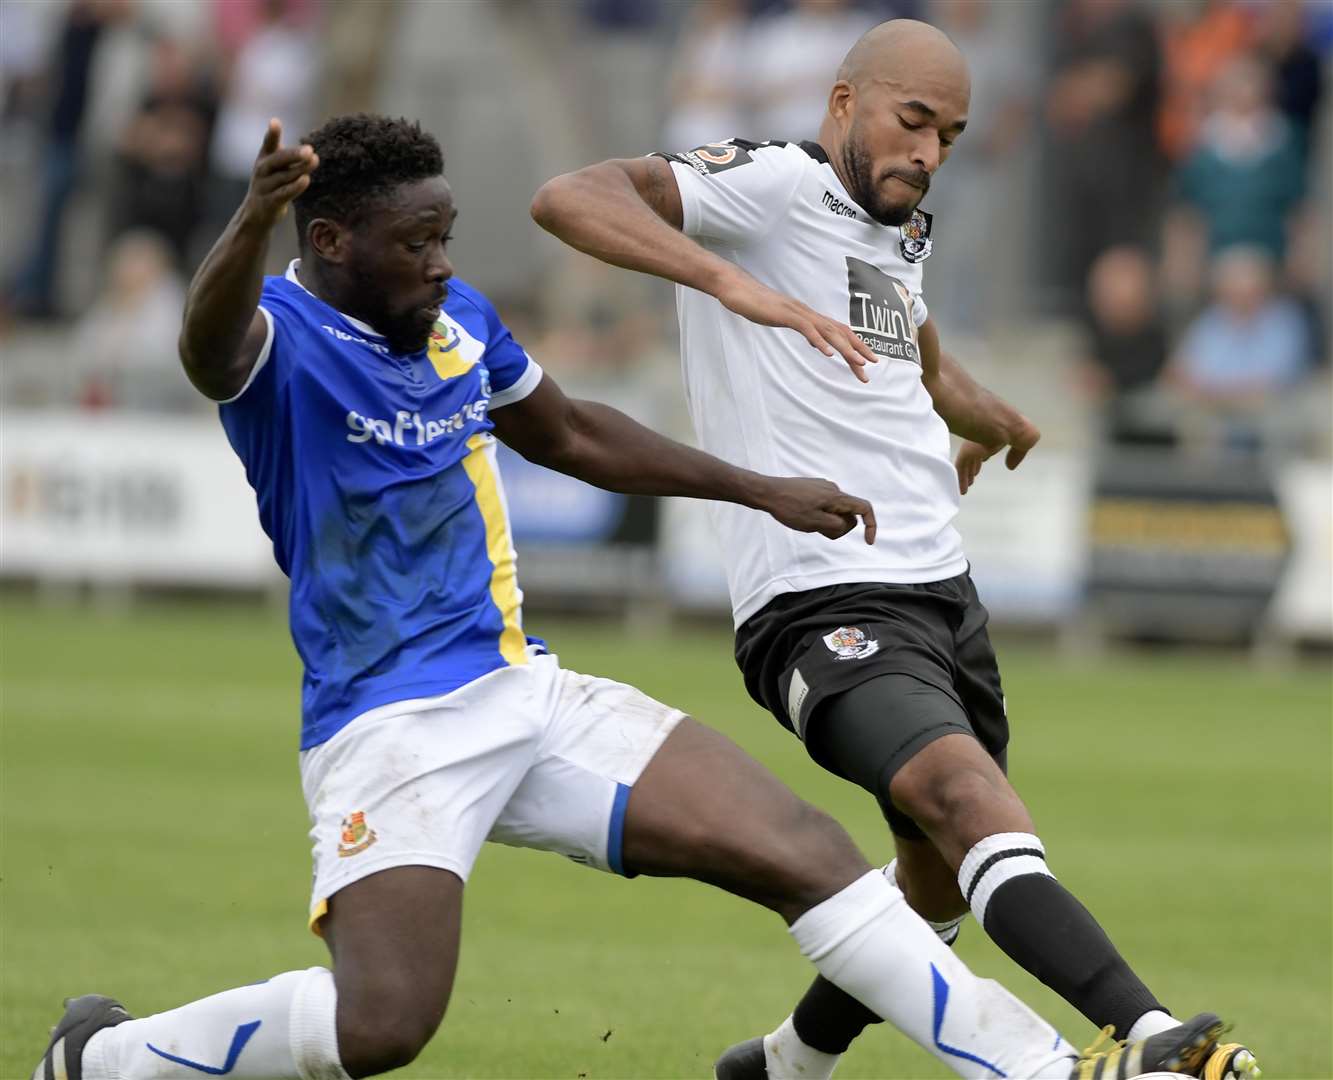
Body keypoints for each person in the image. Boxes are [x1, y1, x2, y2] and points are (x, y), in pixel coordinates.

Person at [29, 113, 1220, 1080]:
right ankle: (110, 1058)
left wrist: (757, 488)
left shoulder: (454, 325)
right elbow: (203, 347)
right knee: (380, 1029)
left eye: (447, 237)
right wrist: (247, 216)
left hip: (525, 691)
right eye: (416, 245)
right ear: (330, 239)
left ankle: (1057, 1071)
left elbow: (573, 432)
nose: (442, 265)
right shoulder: (277, 341)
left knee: (807, 851)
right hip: (391, 728)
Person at [530, 19, 1259, 1080]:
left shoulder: (898, 233)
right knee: (970, 808)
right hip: (822, 600)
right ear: (842, 105)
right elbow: (570, 197)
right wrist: (729, 284)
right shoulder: (771, 184)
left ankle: (783, 1066)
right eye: (911, 122)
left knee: (936, 877)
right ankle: (1147, 1035)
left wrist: (989, 419)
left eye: (949, 137)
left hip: (942, 593)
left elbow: (915, 358)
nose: (927, 152)